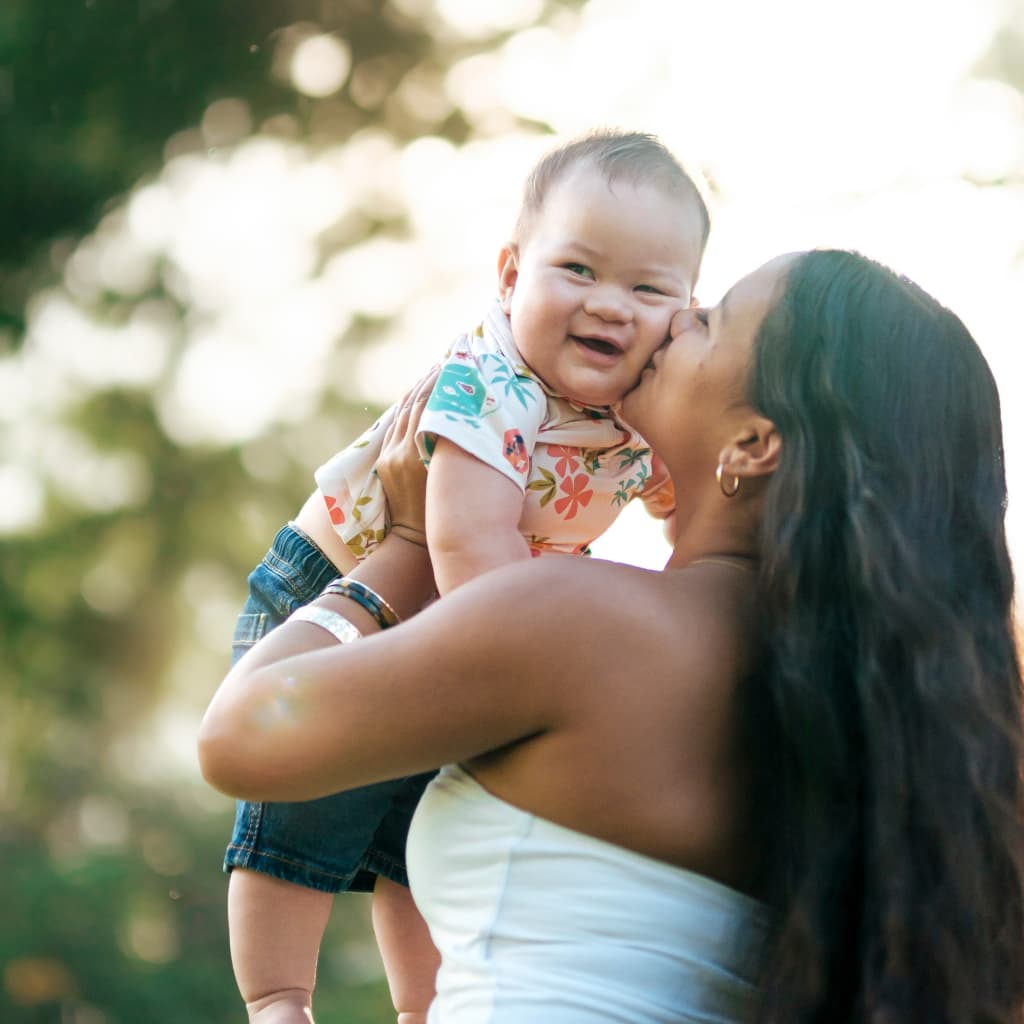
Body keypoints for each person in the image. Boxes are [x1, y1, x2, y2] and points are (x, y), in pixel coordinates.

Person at [201, 247, 1024, 1023]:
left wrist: (404, 551)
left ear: (753, 443)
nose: (679, 318)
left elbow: (240, 740)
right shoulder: (867, 740)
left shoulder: (585, 624)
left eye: (714, 320)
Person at [224, 130, 710, 1024]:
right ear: (510, 274)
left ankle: (425, 1007)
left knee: (424, 814)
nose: (610, 305)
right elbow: (466, 539)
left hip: (480, 617)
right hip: (350, 583)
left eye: (648, 288)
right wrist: (525, 658)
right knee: (312, 795)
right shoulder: (494, 379)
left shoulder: (633, 407)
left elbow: (684, 518)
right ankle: (279, 996)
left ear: (684, 311)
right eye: (577, 270)